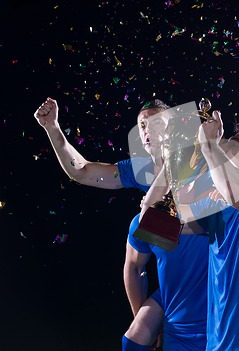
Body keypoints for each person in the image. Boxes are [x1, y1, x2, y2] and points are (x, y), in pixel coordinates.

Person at [34, 97, 209, 350]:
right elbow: (81, 171)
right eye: (142, 126)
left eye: (155, 122)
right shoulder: (142, 170)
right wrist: (53, 128)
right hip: (173, 282)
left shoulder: (203, 164)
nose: (147, 130)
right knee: (134, 338)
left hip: (208, 277)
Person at [142, 111, 239, 350]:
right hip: (218, 344)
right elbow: (151, 223)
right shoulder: (215, 206)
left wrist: (209, 147)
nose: (224, 144)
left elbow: (235, 192)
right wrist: (170, 162)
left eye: (233, 144)